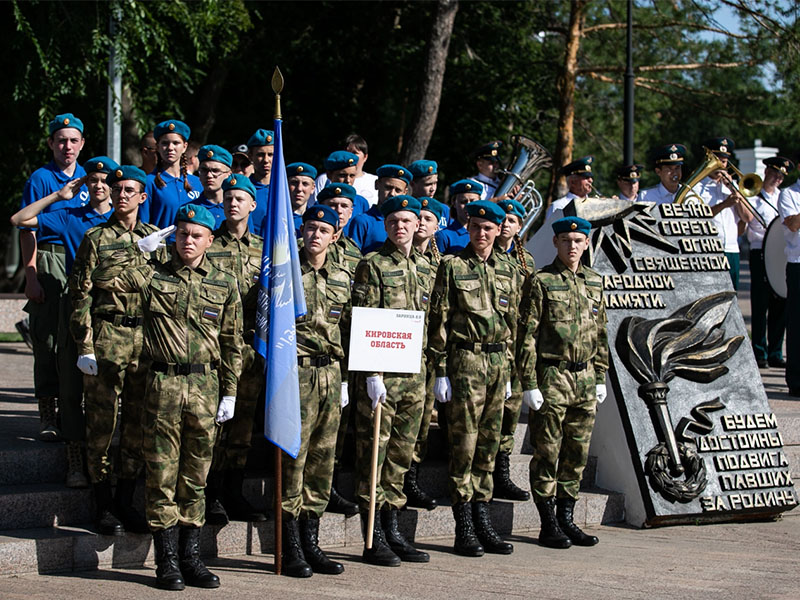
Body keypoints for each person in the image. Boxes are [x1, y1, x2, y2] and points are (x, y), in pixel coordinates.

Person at [92, 204, 243, 590]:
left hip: (206, 389)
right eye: (181, 234)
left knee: (195, 476)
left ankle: (192, 557)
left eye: (195, 235)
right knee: (161, 475)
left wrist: (230, 391)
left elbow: (231, 342)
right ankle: (168, 561)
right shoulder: (153, 275)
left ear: (210, 240)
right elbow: (103, 279)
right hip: (163, 386)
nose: (187, 241)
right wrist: (138, 251)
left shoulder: (224, 283)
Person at [68, 165, 164, 535]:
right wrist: (85, 344)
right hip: (108, 335)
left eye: (129, 190)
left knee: (138, 423)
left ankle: (125, 499)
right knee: (102, 423)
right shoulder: (96, 237)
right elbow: (81, 295)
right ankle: (103, 502)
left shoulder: (154, 237)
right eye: (117, 188)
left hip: (145, 340)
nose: (121, 194)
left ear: (142, 197)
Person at [12, 156, 117, 488]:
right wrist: (59, 197)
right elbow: (20, 218)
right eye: (93, 181)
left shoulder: (125, 222)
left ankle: (108, 459)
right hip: (78, 312)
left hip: (115, 317)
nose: (98, 186)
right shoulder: (70, 218)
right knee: (71, 386)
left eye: (104, 181)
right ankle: (75, 459)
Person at [428, 199, 523, 557]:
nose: (481, 234)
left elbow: (514, 323)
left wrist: (512, 371)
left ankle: (483, 520)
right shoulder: (451, 266)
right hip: (465, 361)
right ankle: (463, 526)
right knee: (464, 448)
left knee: (489, 446)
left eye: (488, 228)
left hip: (499, 362)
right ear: (467, 228)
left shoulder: (510, 270)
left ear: (500, 230)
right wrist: (440, 371)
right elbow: (438, 322)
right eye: (476, 227)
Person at [352, 195, 434, 566]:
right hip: (383, 376)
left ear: (419, 224)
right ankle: (373, 537)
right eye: (393, 221)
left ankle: (392, 527)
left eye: (407, 220)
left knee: (401, 455)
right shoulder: (373, 264)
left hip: (415, 376)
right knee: (375, 454)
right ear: (385, 225)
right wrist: (371, 373)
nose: (400, 226)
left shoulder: (429, 266)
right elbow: (365, 318)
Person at [518, 216, 608, 550]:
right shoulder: (541, 281)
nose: (572, 246)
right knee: (547, 451)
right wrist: (529, 382)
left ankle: (567, 517)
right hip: (552, 376)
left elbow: (601, 332)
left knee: (577, 453)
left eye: (578, 241)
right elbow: (526, 335)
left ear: (586, 244)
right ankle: (548, 522)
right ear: (556, 243)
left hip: (584, 378)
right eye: (566, 241)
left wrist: (600, 376)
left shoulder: (595, 282)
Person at [281, 205, 352, 578]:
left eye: (324, 230)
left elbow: (350, 328)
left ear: (334, 236)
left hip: (330, 374)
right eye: (310, 228)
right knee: (294, 460)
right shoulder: (285, 275)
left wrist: (344, 380)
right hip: (296, 375)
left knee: (322, 462)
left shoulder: (342, 275)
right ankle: (291, 544)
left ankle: (312, 541)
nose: (315, 235)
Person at [17, 112, 89, 443]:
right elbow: (26, 228)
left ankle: (73, 408)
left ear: (82, 144)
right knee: (46, 338)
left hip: (79, 258)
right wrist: (31, 274)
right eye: (61, 140)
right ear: (51, 143)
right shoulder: (41, 178)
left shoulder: (90, 178)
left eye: (74, 140)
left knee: (76, 336)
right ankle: (47, 409)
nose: (67, 146)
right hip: (49, 257)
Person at [205, 175, 268, 526]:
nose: (233, 203)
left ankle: (234, 490)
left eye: (240, 198)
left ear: (252, 204)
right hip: (218, 345)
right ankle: (211, 493)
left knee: (243, 425)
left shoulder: (265, 248)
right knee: (218, 422)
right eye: (228, 197)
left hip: (251, 344)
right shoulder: (209, 244)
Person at [316, 182, 362, 516]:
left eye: (345, 206)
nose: (340, 210)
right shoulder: (298, 255)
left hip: (340, 359)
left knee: (335, 432)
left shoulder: (356, 256)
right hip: (305, 361)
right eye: (334, 204)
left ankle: (328, 486)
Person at [404, 196, 446, 511]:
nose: (420, 222)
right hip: (398, 351)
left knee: (420, 424)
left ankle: (411, 479)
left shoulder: (442, 266)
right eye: (417, 216)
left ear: (437, 226)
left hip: (428, 355)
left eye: (427, 218)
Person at [492, 198, 535, 502]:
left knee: (510, 410)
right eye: (503, 219)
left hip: (517, 344)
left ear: (519, 227)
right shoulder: (485, 256)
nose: (506, 224)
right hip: (494, 341)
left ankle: (502, 472)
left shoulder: (526, 261)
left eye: (512, 220)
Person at [746, 156, 793, 369]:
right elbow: (747, 220)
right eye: (775, 174)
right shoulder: (753, 195)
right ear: (766, 173)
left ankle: (775, 351)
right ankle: (759, 351)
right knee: (760, 303)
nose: (777, 179)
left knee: (780, 303)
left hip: (780, 253)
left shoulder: (784, 197)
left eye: (781, 176)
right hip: (759, 252)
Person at [691, 137, 747, 289]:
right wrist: (724, 204)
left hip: (732, 249)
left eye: (724, 161)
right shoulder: (696, 187)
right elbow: (697, 217)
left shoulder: (732, 185)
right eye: (718, 160)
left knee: (732, 298)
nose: (722, 165)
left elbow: (747, 217)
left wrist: (735, 191)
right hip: (708, 250)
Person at [141, 119, 202, 228]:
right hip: (163, 244)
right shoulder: (149, 182)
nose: (170, 148)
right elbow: (143, 224)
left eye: (176, 143)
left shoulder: (197, 183)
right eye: (165, 143)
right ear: (158, 147)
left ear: (184, 146)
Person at [348, 164, 412, 254]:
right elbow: (352, 258)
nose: (392, 194)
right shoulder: (363, 222)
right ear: (377, 184)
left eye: (398, 190)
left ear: (405, 192)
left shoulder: (408, 225)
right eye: (388, 187)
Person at [778, 162, 800, 397]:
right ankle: (797, 379)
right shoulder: (789, 194)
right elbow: (792, 224)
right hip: (798, 264)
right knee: (797, 324)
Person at [313, 134, 379, 207]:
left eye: (355, 152)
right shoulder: (323, 179)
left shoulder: (373, 181)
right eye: (342, 175)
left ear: (365, 157)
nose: (348, 180)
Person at [435, 179, 482, 255]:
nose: (468, 206)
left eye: (473, 201)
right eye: (463, 202)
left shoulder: (483, 235)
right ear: (454, 203)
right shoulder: (444, 236)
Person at [194, 145, 233, 230]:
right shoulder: (190, 209)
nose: (209, 175)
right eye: (204, 170)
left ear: (228, 174)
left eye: (215, 171)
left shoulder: (236, 209)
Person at [247, 128, 275, 236]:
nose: (266, 160)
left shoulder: (285, 189)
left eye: (270, 154)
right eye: (260, 155)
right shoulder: (244, 189)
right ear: (250, 156)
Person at [409, 160, 449, 229]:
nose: (433, 189)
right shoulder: (407, 208)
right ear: (413, 184)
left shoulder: (444, 210)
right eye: (428, 184)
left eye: (435, 183)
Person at [287, 162, 318, 237]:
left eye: (305, 184)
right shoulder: (275, 218)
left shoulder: (316, 219)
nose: (299, 189)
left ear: (313, 188)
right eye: (294, 183)